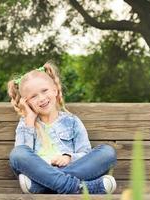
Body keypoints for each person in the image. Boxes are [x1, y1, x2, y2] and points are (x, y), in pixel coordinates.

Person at [7, 60, 117, 194]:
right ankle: (79, 188)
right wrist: (29, 119)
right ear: (26, 102)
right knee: (17, 153)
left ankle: (40, 187)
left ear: (54, 90)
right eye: (33, 96)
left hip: (63, 171)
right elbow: (24, 157)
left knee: (107, 152)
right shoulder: (25, 124)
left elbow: (85, 153)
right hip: (41, 171)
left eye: (44, 91)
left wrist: (68, 158)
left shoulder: (72, 122)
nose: (41, 98)